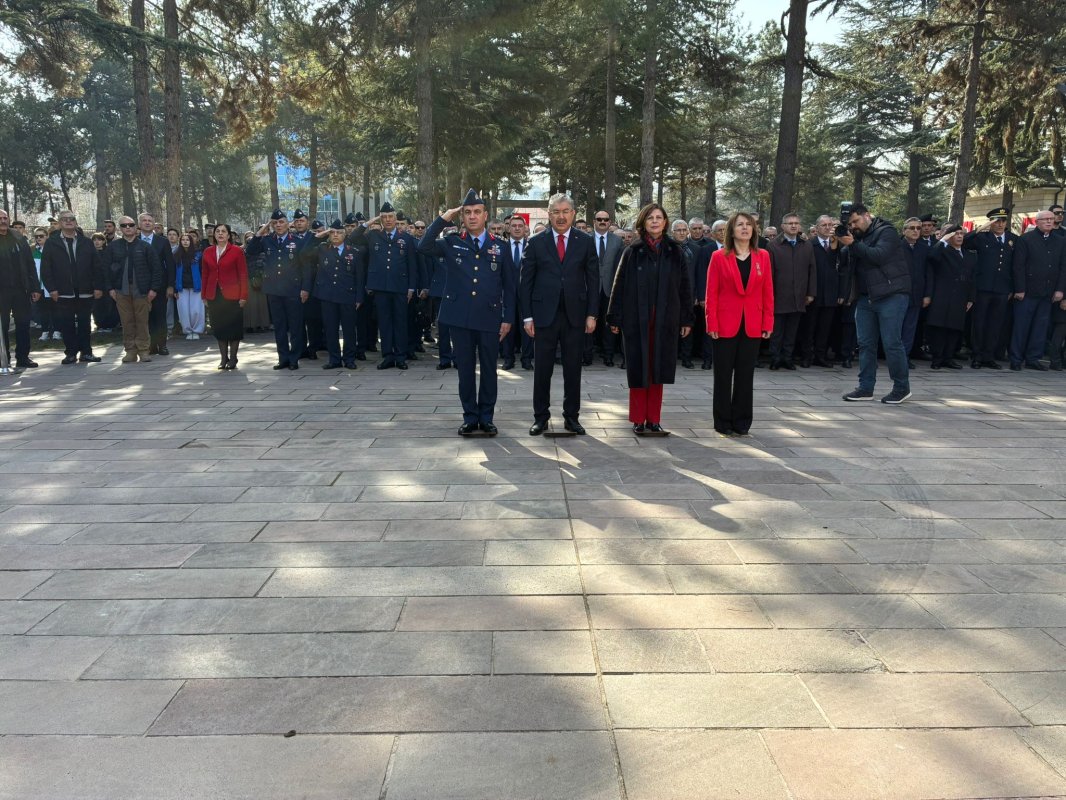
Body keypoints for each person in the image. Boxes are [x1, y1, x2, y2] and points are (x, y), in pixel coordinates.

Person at [418, 190, 516, 436]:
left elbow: (510, 287)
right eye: (467, 212)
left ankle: (487, 418)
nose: (472, 216)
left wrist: (508, 318)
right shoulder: (451, 242)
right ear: (462, 217)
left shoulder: (500, 247)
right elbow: (423, 246)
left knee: (489, 370)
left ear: (485, 215)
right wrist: (443, 218)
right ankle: (470, 417)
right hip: (459, 317)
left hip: (489, 317)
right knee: (465, 370)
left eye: (477, 212)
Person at [606, 203, 693, 435]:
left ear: (665, 222)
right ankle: (638, 418)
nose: (655, 221)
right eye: (650, 218)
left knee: (658, 369)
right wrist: (615, 317)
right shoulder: (632, 251)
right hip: (636, 319)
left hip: (666, 318)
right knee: (639, 368)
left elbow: (685, 287)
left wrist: (686, 319)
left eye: (659, 217)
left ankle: (654, 419)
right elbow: (619, 285)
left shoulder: (675, 251)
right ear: (643, 222)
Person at [519, 193, 600, 436]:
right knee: (542, 369)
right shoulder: (536, 242)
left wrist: (592, 314)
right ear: (549, 214)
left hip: (575, 315)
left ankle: (571, 417)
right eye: (556, 212)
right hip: (543, 315)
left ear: (573, 214)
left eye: (566, 211)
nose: (561, 216)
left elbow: (593, 280)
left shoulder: (585, 241)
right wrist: (527, 317)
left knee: (573, 369)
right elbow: (525, 282)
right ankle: (540, 417)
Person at [705, 211, 773, 436]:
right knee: (723, 375)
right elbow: (711, 292)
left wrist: (768, 322)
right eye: (740, 224)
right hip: (725, 323)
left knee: (745, 376)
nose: (745, 228)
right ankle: (722, 421)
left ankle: (742, 421)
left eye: (749, 224)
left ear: (754, 229)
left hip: (752, 323)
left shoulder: (763, 256)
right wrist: (712, 323)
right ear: (731, 231)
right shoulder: (719, 256)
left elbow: (768, 291)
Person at [837, 204, 912, 404]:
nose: (853, 226)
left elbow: (878, 256)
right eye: (850, 224)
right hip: (865, 297)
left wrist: (853, 244)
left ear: (867, 215)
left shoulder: (886, 231)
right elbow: (846, 262)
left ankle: (901, 388)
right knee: (865, 344)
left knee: (891, 343)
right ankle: (865, 388)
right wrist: (842, 243)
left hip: (891, 294)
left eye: (855, 221)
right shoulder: (857, 237)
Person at [347, 202, 417, 370]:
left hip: (400, 286)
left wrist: (411, 288)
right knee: (384, 322)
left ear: (395, 218)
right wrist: (369, 222)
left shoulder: (406, 238)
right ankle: (388, 356)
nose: (387, 220)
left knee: (400, 322)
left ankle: (400, 356)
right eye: (384, 217)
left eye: (390, 216)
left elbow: (412, 265)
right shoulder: (373, 235)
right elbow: (353, 237)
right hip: (381, 287)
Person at [246, 210, 312, 370]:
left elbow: (306, 266)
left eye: (281, 222)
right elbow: (250, 251)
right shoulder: (267, 240)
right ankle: (283, 358)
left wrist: (305, 288)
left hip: (293, 289)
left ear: (288, 224)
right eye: (275, 223)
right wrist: (260, 232)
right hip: (274, 289)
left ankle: (294, 358)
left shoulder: (297, 241)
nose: (278, 225)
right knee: (279, 326)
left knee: (295, 326)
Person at [40, 210, 103, 364]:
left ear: (75, 222)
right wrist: (52, 289)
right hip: (63, 291)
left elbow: (97, 266)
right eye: (65, 219)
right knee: (67, 324)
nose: (69, 221)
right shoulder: (51, 243)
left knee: (85, 323)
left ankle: (86, 352)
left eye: (72, 219)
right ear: (60, 223)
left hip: (85, 290)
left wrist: (98, 286)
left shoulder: (86, 242)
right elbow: (46, 268)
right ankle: (70, 353)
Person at [1010, 209, 1065, 371]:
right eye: (1045, 219)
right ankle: (1016, 358)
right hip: (1027, 291)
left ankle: (1033, 358)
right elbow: (1018, 266)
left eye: (1051, 219)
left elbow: (1063, 267)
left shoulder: (1060, 240)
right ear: (1036, 222)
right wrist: (1020, 289)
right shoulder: (1026, 239)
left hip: (1048, 292)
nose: (1049, 221)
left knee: (1040, 328)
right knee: (1021, 326)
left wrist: (1060, 290)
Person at [104, 215, 163, 363]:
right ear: (120, 229)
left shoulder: (145, 247)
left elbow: (156, 269)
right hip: (121, 291)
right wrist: (110, 289)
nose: (128, 228)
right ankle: (130, 351)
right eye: (124, 225)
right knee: (127, 322)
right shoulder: (113, 247)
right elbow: (105, 269)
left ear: (136, 227)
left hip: (142, 291)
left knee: (142, 322)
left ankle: (144, 350)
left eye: (130, 225)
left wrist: (153, 289)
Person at [308, 219, 365, 370]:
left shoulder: (354, 252)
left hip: (348, 296)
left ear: (345, 234)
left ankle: (349, 359)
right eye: (332, 232)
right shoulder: (322, 249)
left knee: (349, 330)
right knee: (330, 329)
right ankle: (334, 359)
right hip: (328, 296)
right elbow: (303, 253)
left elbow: (359, 277)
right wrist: (319, 236)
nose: (335, 235)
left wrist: (359, 297)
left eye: (339, 232)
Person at [963, 208, 1016, 369]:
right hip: (983, 287)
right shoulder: (981, 237)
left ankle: (988, 356)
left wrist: (1012, 288)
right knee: (979, 323)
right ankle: (977, 355)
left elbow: (1015, 266)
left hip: (1002, 289)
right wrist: (980, 228)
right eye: (996, 221)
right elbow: (964, 241)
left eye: (1003, 221)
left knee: (995, 324)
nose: (1000, 224)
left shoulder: (1013, 239)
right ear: (990, 223)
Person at [766, 213, 816, 370]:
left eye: (796, 223)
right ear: (783, 226)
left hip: (799, 296)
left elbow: (812, 270)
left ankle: (787, 358)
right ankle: (775, 358)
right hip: (779, 296)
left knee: (792, 331)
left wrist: (810, 293)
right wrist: (769, 295)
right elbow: (769, 273)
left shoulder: (806, 245)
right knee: (777, 331)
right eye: (790, 223)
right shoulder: (773, 246)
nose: (793, 226)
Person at [923, 225, 976, 369]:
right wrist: (943, 240)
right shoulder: (942, 251)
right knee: (939, 329)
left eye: (961, 234)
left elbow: (972, 277)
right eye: (956, 234)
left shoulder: (969, 254)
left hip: (961, 296)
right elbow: (931, 256)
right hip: (942, 295)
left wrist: (971, 298)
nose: (959, 236)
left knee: (954, 328)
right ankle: (937, 358)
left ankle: (948, 358)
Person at [200, 223, 248, 370]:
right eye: (218, 231)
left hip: (233, 295)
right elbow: (205, 274)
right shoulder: (208, 251)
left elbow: (243, 274)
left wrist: (243, 296)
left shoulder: (236, 251)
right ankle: (223, 358)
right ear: (214, 235)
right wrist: (204, 295)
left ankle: (233, 358)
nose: (220, 234)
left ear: (228, 235)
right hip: (214, 295)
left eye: (223, 231)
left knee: (233, 328)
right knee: (219, 328)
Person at [0, 208, 41, 369]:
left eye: (5, 218)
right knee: (2, 326)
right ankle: (3, 358)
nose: (3, 221)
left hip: (20, 289)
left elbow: (30, 264)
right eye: (0, 218)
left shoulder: (18, 237)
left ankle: (23, 357)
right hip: (1, 291)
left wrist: (35, 288)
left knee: (23, 323)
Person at [802, 215, 845, 366]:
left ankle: (820, 356)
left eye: (830, 225)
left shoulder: (839, 245)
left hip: (831, 293)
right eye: (824, 225)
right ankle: (806, 356)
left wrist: (841, 293)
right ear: (817, 227)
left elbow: (842, 270)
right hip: (814, 292)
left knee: (825, 328)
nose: (827, 228)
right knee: (809, 327)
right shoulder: (809, 245)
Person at [137, 212, 175, 356]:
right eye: (144, 220)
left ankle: (162, 345)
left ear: (154, 224)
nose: (147, 223)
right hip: (140, 286)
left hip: (160, 285)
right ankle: (151, 346)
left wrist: (170, 285)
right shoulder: (134, 240)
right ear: (139, 224)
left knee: (160, 316)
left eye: (150, 221)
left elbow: (170, 264)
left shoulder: (162, 242)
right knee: (146, 318)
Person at [591, 210, 624, 368]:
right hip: (590, 288)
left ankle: (608, 355)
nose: (602, 222)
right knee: (588, 321)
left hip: (610, 288)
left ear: (609, 222)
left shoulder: (617, 241)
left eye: (605, 219)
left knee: (608, 324)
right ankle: (587, 355)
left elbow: (619, 265)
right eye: (599, 219)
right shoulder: (585, 239)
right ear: (594, 222)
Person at [501, 215, 534, 370]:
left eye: (520, 225)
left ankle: (526, 359)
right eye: (513, 225)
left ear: (525, 228)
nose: (517, 228)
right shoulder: (501, 247)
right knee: (507, 326)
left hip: (527, 295)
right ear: (508, 228)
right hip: (506, 295)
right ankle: (508, 359)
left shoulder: (532, 246)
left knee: (527, 327)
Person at [174, 233, 206, 340]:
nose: (185, 242)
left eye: (187, 240)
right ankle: (187, 331)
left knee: (196, 310)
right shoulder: (176, 254)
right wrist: (174, 288)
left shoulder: (199, 255)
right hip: (181, 286)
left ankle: (196, 330)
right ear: (180, 242)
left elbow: (203, 271)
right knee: (183, 310)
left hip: (196, 286)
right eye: (183, 240)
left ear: (191, 241)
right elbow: (172, 272)